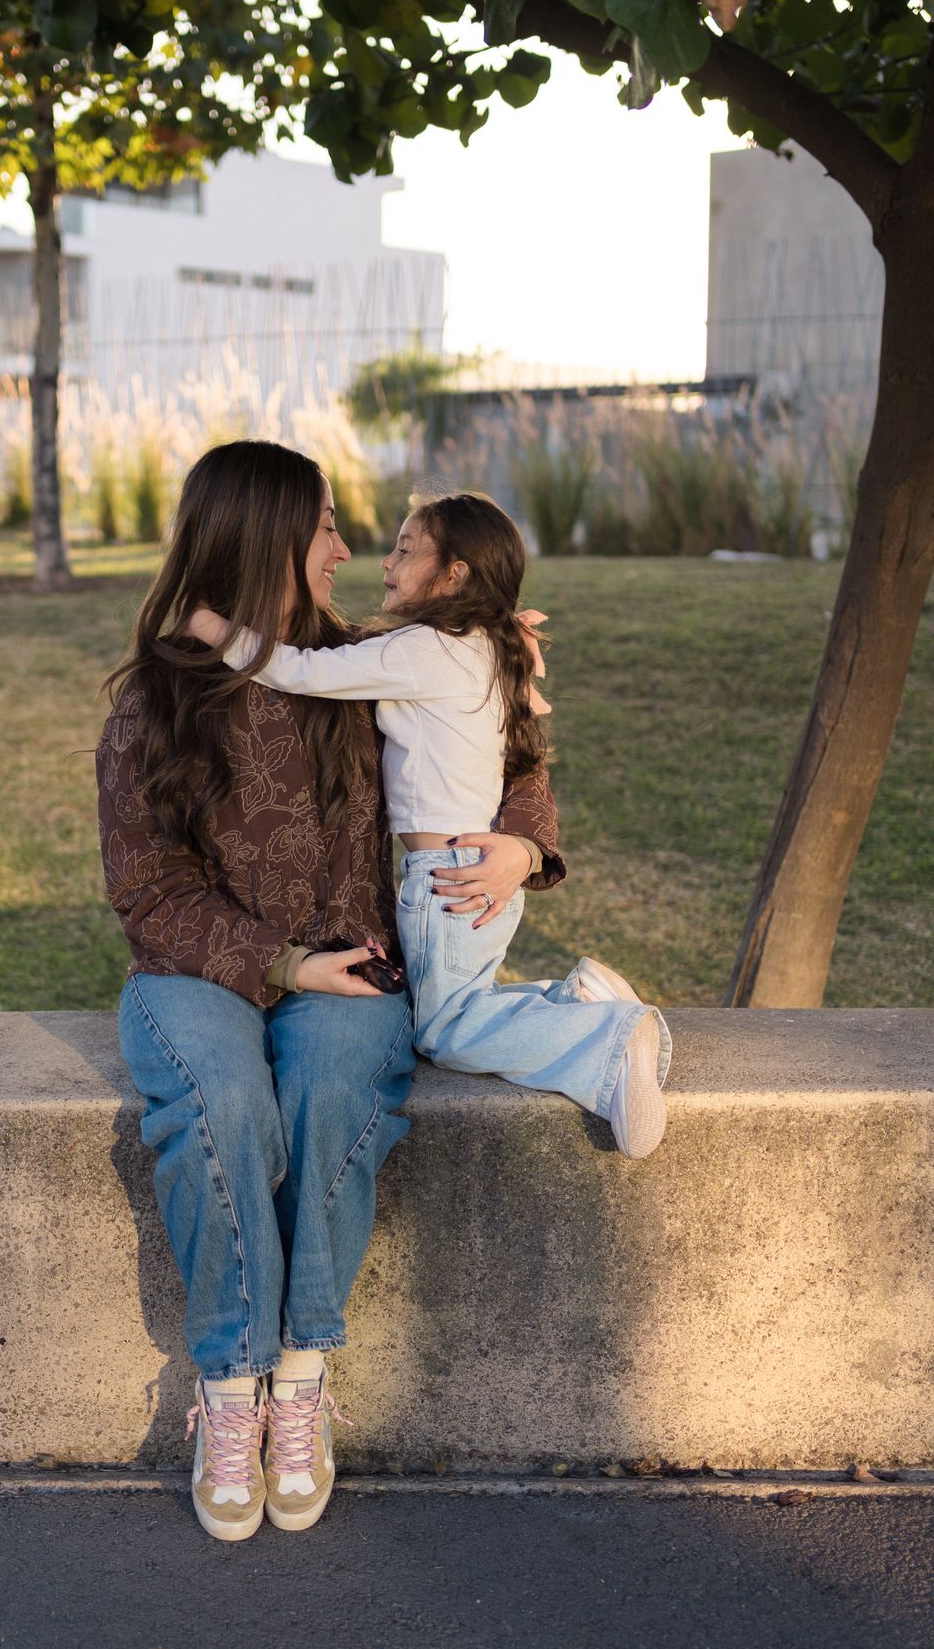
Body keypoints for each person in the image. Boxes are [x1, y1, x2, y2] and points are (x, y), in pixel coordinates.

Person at [96, 445, 556, 1543]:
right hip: (202, 967)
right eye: (326, 533)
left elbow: (513, 751)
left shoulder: (375, 659)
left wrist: (523, 847)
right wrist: (279, 965)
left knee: (334, 1092)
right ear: (264, 543)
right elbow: (148, 891)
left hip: (357, 959)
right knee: (222, 1104)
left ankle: (298, 1381)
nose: (349, 552)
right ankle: (229, 1389)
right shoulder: (157, 699)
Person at [187, 490, 672, 1159]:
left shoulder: (423, 649)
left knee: (445, 1030)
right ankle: (574, 1000)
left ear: (454, 575)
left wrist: (215, 631)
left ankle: (607, 1043)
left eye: (406, 550)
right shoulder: (481, 647)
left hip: (446, 877)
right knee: (460, 1002)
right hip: (468, 868)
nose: (385, 562)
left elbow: (302, 670)